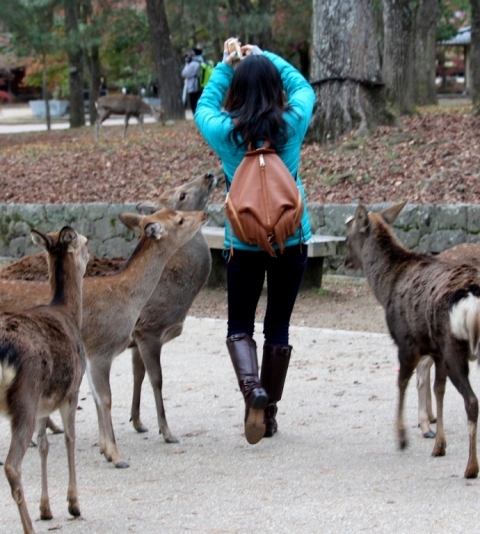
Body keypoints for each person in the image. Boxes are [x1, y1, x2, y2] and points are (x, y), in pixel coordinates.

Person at [194, 38, 315, 445]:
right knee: (277, 326)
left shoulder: (227, 133)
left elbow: (203, 107)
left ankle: (253, 396)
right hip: (291, 240)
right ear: (273, 85)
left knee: (239, 326)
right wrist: (263, 56)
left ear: (238, 90)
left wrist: (228, 64)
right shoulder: (292, 122)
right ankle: (271, 413)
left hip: (243, 244)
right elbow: (303, 88)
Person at [181, 47, 205, 114]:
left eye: (192, 53)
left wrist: (186, 65)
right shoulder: (202, 60)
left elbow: (184, 73)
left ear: (194, 53)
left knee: (194, 106)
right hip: (202, 86)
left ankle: (198, 121)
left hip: (194, 88)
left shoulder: (193, 63)